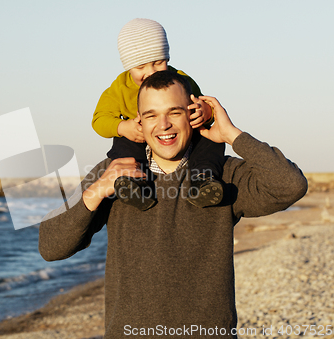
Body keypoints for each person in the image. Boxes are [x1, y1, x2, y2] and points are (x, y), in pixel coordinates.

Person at [39, 70, 308, 338]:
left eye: (175, 112)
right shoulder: (113, 173)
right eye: (151, 115)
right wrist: (96, 191)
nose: (163, 124)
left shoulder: (221, 176)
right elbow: (51, 246)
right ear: (139, 123)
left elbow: (290, 185)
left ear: (192, 116)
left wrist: (232, 135)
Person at [92, 18, 225, 208]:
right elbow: (99, 120)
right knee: (123, 147)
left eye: (158, 62)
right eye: (140, 67)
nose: (151, 71)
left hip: (181, 137)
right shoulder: (119, 88)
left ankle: (203, 181)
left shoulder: (181, 80)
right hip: (137, 137)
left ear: (167, 58)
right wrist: (123, 127)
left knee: (209, 139)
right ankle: (134, 185)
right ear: (128, 66)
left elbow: (203, 103)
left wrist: (206, 112)